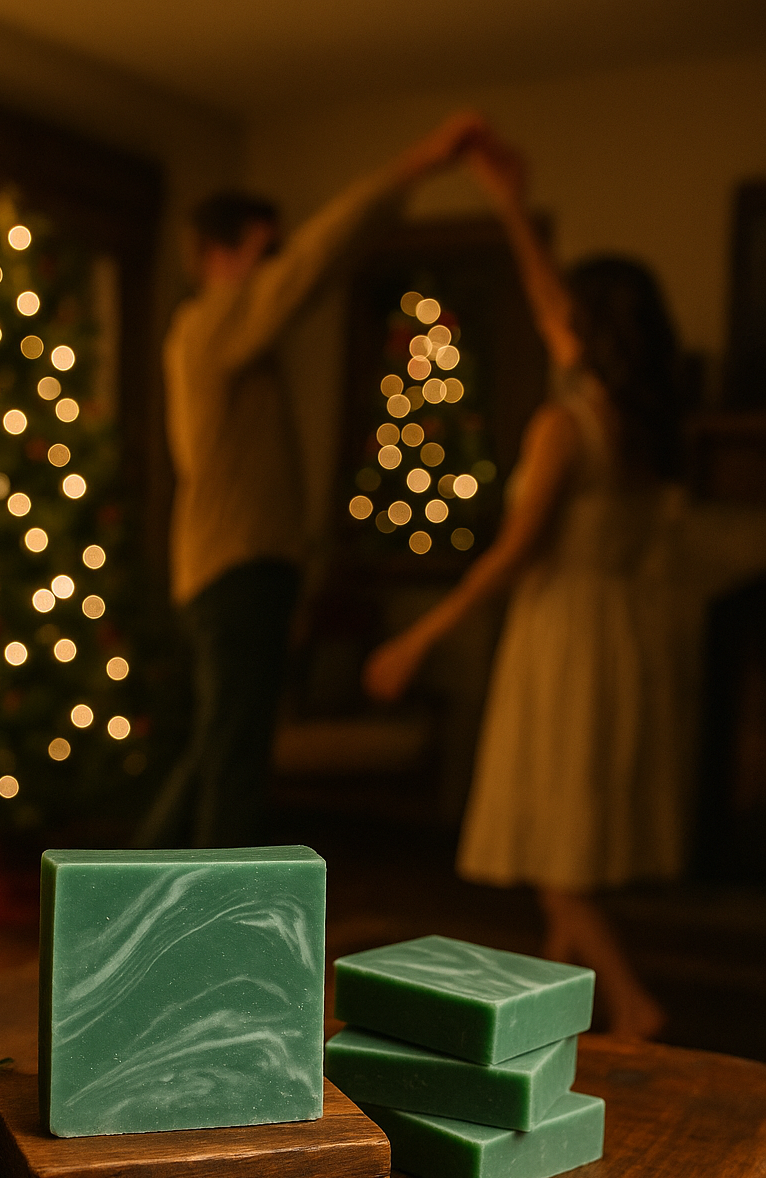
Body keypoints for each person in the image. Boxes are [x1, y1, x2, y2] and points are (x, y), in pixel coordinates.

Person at [363, 128, 686, 1040]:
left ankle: (630, 1002)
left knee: (553, 849)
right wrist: (509, 200)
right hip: (619, 635)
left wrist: (420, 635)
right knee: (565, 835)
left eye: (563, 312)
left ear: (582, 330)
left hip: (562, 639)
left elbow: (512, 553)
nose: (548, 315)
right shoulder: (644, 421)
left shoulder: (563, 425)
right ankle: (565, 1014)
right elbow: (552, 298)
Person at [136, 112, 485, 849]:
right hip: (234, 572)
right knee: (234, 764)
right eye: (264, 252)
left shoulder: (232, 339)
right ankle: (204, 928)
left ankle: (117, 901)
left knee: (216, 752)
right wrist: (416, 162)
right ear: (216, 254)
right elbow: (317, 260)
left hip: (241, 570)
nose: (276, 269)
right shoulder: (210, 324)